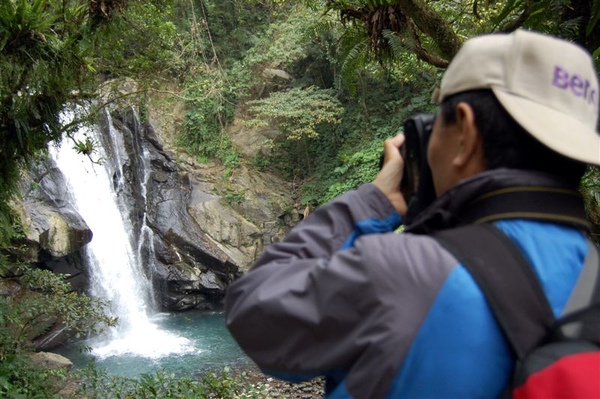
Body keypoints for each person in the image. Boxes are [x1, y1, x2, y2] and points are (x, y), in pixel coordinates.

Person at [224, 29, 600, 398]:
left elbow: (253, 313)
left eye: (437, 120)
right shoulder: (591, 275)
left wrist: (372, 200)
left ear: (465, 131)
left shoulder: (404, 273)